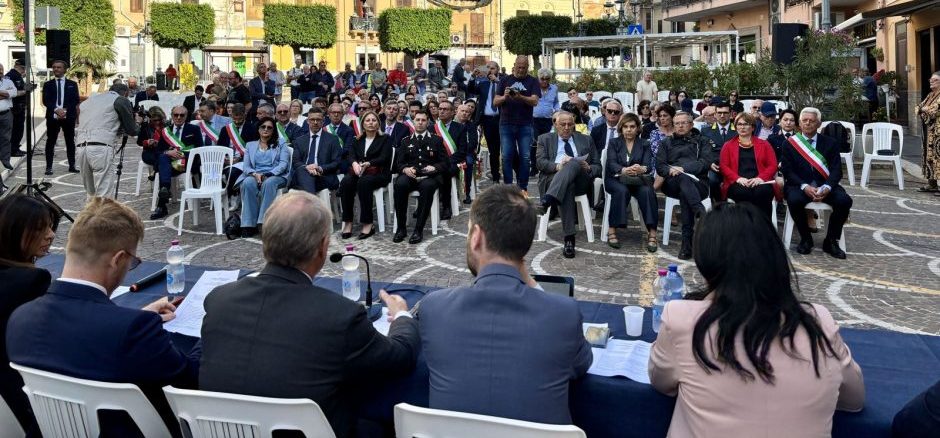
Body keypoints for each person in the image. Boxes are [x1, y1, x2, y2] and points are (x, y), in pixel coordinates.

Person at [200, 191, 418, 437]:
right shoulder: (340, 316)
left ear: (265, 241)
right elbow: (401, 357)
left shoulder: (219, 300)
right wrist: (402, 316)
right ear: (322, 248)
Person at [649, 202, 864, 437]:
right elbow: (854, 399)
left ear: (706, 263)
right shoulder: (819, 320)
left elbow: (662, 381)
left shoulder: (681, 319)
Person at [6, 197, 202, 438]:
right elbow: (190, 380)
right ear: (117, 260)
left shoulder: (20, 318)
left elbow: (83, 334)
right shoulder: (134, 331)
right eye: (132, 262)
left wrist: (135, 318)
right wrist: (213, 326)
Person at [419, 184, 591, 424]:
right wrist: (529, 280)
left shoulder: (434, 308)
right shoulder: (564, 314)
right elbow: (581, 364)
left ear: (476, 237)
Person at [0, 194, 60, 437]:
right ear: (14, 232)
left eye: (50, 227)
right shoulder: (30, 281)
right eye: (40, 228)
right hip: (21, 397)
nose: (50, 235)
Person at [780, 107, 852, 259]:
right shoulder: (790, 144)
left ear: (819, 124)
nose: (807, 123)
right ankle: (806, 238)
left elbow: (836, 171)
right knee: (794, 200)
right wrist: (804, 186)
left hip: (825, 185)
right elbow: (788, 171)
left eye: (811, 121)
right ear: (799, 123)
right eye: (804, 120)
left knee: (844, 201)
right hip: (800, 185)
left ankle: (831, 240)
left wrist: (827, 187)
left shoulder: (830, 143)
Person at [535, 111, 601, 259]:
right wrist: (558, 166)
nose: (566, 127)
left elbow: (598, 166)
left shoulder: (586, 139)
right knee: (567, 186)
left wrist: (588, 167)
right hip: (553, 178)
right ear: (555, 124)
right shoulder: (544, 139)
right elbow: (540, 163)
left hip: (581, 180)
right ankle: (569, 239)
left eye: (570, 124)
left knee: (573, 162)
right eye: (562, 124)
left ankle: (547, 200)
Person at [656, 111, 715, 260]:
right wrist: (671, 170)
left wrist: (683, 169)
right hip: (672, 184)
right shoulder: (666, 142)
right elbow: (660, 166)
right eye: (677, 123)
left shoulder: (703, 141)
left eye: (684, 123)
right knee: (683, 180)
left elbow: (706, 162)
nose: (680, 126)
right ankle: (699, 211)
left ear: (691, 124)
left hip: (698, 184)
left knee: (685, 190)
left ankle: (686, 245)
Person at [74, 83, 139, 200]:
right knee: (104, 194)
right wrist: (138, 122)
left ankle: (91, 212)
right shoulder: (120, 100)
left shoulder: (89, 100)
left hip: (81, 146)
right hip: (101, 147)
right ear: (125, 93)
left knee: (91, 193)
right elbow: (132, 130)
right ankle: (103, 212)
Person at [139, 106, 203, 219]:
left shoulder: (194, 129)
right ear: (172, 116)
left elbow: (200, 149)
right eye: (176, 115)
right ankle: (164, 191)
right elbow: (158, 151)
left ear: (186, 116)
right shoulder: (166, 131)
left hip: (186, 163)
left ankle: (162, 204)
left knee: (163, 165)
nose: (178, 117)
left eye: (182, 115)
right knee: (163, 158)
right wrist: (168, 152)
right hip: (170, 165)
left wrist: (181, 154)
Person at [605, 113, 658, 252]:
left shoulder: (644, 144)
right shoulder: (614, 142)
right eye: (626, 127)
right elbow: (611, 163)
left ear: (637, 128)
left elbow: (648, 165)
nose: (629, 130)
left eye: (632, 127)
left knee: (648, 191)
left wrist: (642, 168)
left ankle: (652, 232)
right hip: (616, 179)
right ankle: (612, 229)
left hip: (637, 180)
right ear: (621, 128)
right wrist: (623, 170)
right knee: (621, 191)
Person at [393, 110, 446, 244]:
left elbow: (445, 162)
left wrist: (435, 167)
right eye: (418, 120)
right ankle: (401, 228)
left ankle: (418, 230)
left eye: (423, 120)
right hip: (410, 175)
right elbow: (399, 163)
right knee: (400, 185)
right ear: (413, 121)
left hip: (429, 177)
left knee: (427, 187)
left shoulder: (436, 140)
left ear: (428, 122)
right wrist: (405, 169)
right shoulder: (406, 141)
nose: (420, 123)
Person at [339, 110, 392, 239]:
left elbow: (384, 157)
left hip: (379, 173)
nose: (371, 123)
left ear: (378, 123)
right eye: (368, 120)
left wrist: (369, 163)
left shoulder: (385, 138)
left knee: (364, 182)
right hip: (360, 172)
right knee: (346, 182)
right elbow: (350, 155)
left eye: (374, 120)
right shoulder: (357, 139)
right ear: (363, 124)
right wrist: (354, 163)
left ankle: (368, 223)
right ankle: (348, 221)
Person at [238, 116, 291, 237]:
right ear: (258, 129)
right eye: (263, 127)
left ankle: (264, 222)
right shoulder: (250, 145)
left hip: (276, 175)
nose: (266, 129)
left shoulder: (281, 143)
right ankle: (249, 224)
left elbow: (283, 164)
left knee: (269, 183)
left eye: (269, 127)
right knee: (247, 183)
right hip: (255, 175)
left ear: (273, 130)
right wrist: (255, 174)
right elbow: (246, 166)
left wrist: (269, 174)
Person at [719, 113, 779, 218]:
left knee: (763, 192)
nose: (742, 127)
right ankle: (745, 225)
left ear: (753, 127)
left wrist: (760, 178)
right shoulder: (728, 145)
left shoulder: (765, 144)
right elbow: (723, 166)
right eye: (739, 124)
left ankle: (764, 225)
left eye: (746, 124)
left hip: (760, 181)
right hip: (737, 182)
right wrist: (738, 179)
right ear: (736, 127)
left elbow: (772, 165)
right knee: (743, 193)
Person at [494, 55, 540, 193]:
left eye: (524, 68)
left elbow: (535, 101)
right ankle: (508, 188)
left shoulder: (533, 81)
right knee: (506, 156)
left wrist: (520, 97)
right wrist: (505, 96)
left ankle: (522, 188)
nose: (520, 70)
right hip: (506, 123)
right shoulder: (504, 80)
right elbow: (495, 102)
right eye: (519, 67)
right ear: (514, 65)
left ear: (527, 67)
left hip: (525, 124)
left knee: (525, 157)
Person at [288, 107, 342, 199]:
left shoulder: (332, 139)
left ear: (323, 121)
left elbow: (336, 163)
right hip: (303, 174)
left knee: (303, 178)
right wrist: (307, 167)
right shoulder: (299, 141)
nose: (315, 122)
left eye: (318, 120)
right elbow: (296, 162)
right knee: (303, 171)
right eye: (312, 120)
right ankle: (312, 202)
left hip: (323, 176)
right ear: (307, 121)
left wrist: (320, 168)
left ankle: (309, 202)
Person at [42, 60, 80, 175]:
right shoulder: (48, 84)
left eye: (59, 67)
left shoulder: (72, 84)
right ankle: (49, 167)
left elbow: (75, 100)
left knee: (70, 141)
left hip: (68, 116)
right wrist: (56, 109)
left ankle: (72, 165)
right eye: (54, 67)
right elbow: (46, 100)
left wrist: (65, 111)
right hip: (53, 116)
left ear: (65, 69)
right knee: (50, 141)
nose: (56, 69)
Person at [467, 61, 502, 183]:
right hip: (487, 120)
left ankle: (512, 174)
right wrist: (473, 76)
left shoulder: (502, 82)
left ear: (497, 70)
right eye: (488, 68)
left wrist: (497, 81)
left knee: (506, 150)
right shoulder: (483, 84)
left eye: (493, 68)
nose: (490, 70)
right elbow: (470, 89)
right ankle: (495, 176)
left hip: (501, 119)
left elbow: (509, 90)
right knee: (493, 150)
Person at [434, 99, 468, 220]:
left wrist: (446, 162)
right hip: (436, 163)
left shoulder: (460, 128)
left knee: (445, 172)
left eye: (445, 109)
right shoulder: (432, 128)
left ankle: (446, 206)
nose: (442, 111)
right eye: (440, 109)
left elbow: (462, 151)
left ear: (453, 112)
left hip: (453, 163)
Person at [701, 101, 738, 200]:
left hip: (734, 166)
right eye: (719, 113)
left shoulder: (738, 130)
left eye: (725, 113)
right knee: (712, 181)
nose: (722, 115)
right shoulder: (705, 131)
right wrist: (709, 163)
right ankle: (719, 204)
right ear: (715, 114)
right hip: (715, 167)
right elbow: (703, 151)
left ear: (731, 114)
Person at [915, 71, 940, 194]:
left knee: (938, 157)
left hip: (938, 132)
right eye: (931, 79)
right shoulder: (930, 95)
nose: (931, 81)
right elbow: (917, 108)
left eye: (935, 80)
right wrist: (923, 109)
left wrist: (924, 109)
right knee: (929, 157)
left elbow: (934, 111)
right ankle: (932, 183)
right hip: (929, 131)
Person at [4, 59, 33, 158]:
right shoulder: (12, 76)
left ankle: (16, 148)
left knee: (18, 129)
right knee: (16, 130)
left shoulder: (15, 75)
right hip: (15, 108)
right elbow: (12, 93)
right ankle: (13, 150)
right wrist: (26, 90)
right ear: (22, 67)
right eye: (25, 68)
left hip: (18, 108)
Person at [456, 103, 480, 204]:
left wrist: (462, 152)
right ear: (457, 111)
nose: (465, 113)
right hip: (453, 153)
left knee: (468, 162)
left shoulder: (471, 126)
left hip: (467, 153)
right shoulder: (451, 124)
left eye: (467, 112)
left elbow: (473, 142)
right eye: (462, 111)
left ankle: (467, 193)